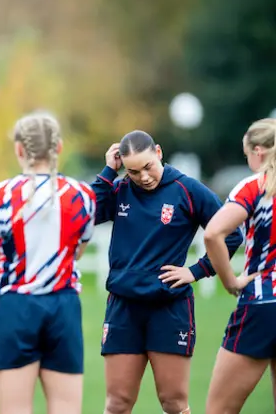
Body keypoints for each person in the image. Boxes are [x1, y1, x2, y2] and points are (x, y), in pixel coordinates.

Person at [92, 130, 244, 414]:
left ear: (159, 152)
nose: (143, 177)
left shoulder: (188, 189)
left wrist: (198, 271)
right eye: (133, 171)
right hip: (123, 307)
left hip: (169, 307)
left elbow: (231, 234)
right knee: (117, 403)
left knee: (173, 403)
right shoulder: (121, 188)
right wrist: (108, 172)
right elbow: (86, 215)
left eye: (148, 166)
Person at [0, 112, 96, 414]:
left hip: (15, 308)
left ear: (19, 149)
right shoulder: (83, 195)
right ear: (58, 148)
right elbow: (77, 253)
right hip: (63, 307)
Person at [203, 118, 276, 414]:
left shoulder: (254, 186)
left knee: (219, 410)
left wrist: (230, 281)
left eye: (246, 154)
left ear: (258, 151)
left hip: (263, 303)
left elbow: (212, 233)